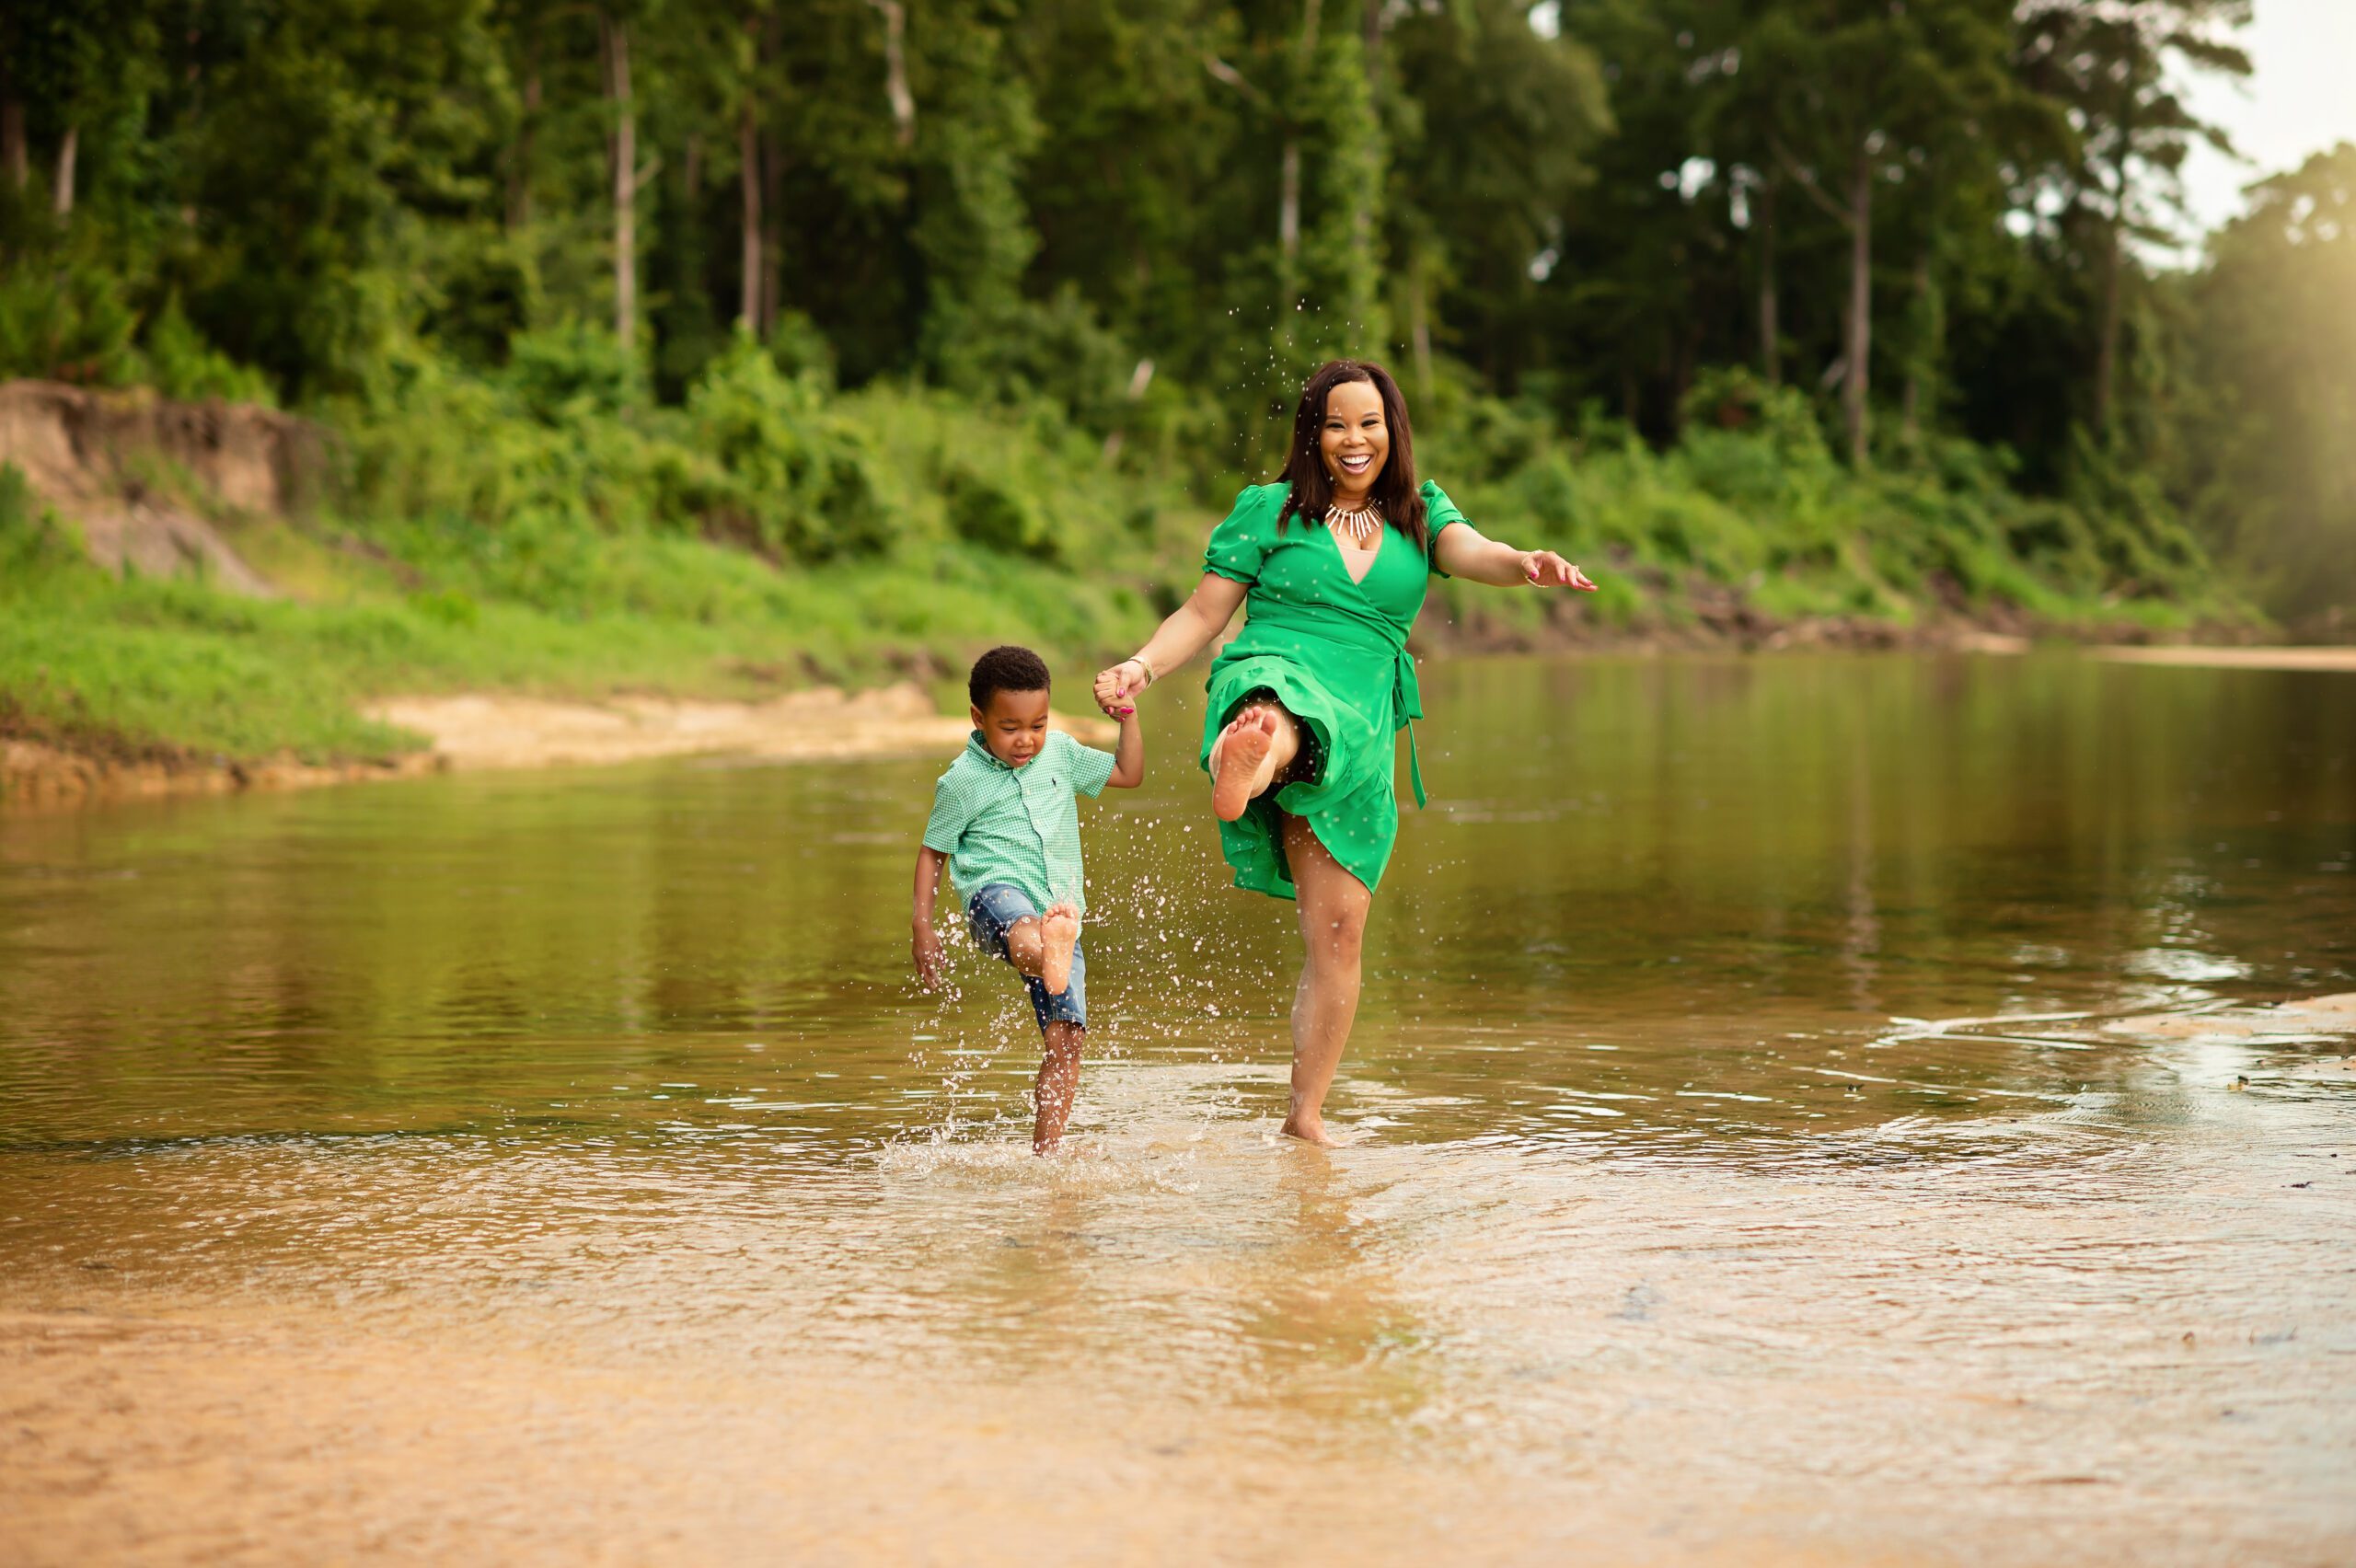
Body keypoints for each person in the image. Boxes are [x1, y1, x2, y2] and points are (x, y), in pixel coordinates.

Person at [1092, 359, 1597, 1147]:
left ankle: (1305, 1118)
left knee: (1338, 937)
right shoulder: (1270, 511)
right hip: (1275, 665)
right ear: (1312, 435)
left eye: (1368, 424)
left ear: (1393, 431)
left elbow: (1477, 552)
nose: (1353, 440)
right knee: (1280, 710)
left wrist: (1527, 564)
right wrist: (1141, 667)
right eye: (1335, 425)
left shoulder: (1419, 514)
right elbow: (1203, 612)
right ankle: (1249, 755)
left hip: (1364, 728)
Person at [913, 645, 1144, 1154]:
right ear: (978, 718)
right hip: (993, 893)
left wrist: (1127, 716)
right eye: (1010, 727)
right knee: (1022, 928)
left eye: (1038, 725)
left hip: (1058, 908)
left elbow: (1128, 774)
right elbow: (933, 852)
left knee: (1067, 1041)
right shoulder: (961, 781)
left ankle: (1047, 1157)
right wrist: (923, 928)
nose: (1026, 740)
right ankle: (1047, 954)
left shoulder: (1060, 752)